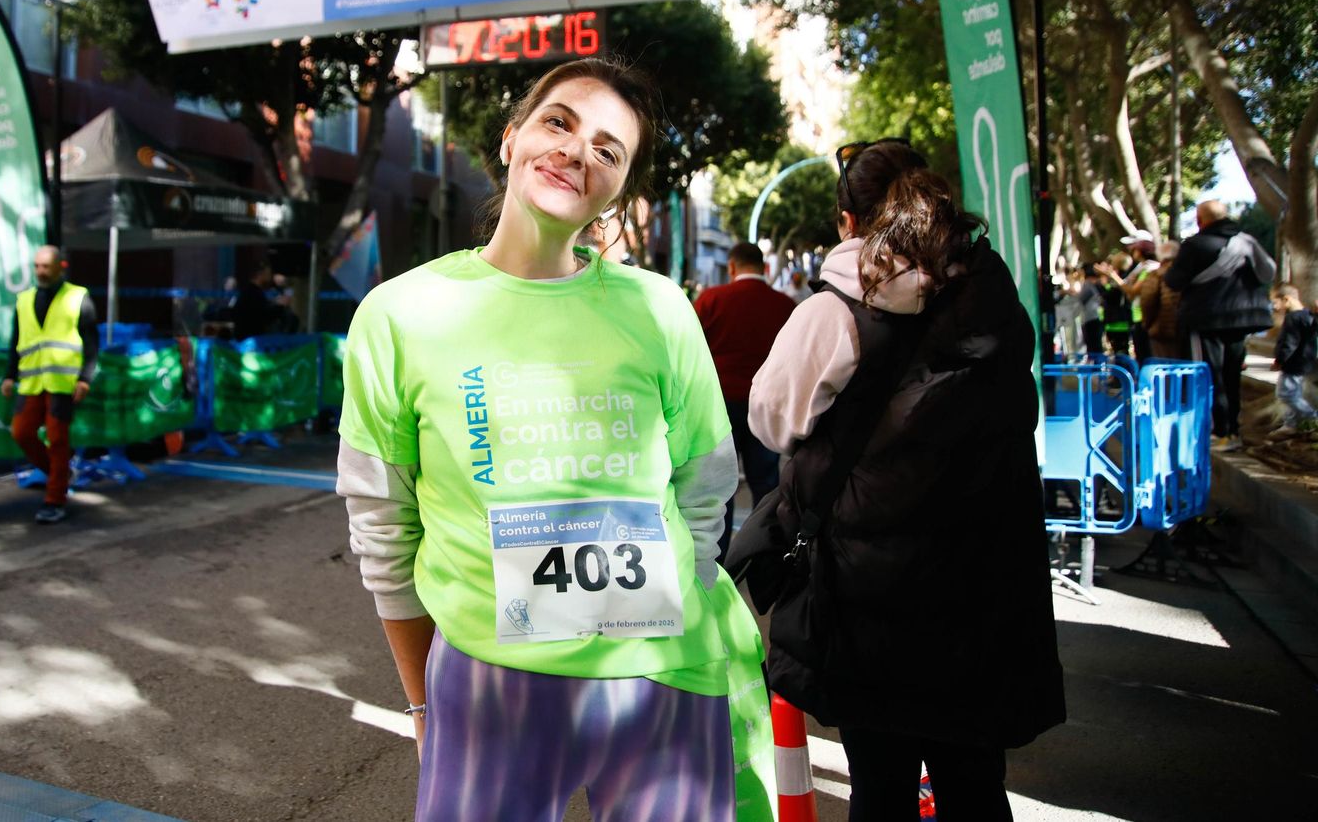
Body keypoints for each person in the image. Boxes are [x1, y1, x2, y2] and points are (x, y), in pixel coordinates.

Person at [335, 58, 746, 821]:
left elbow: (705, 487)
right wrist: (425, 705)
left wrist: (667, 611)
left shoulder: (660, 310)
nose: (575, 151)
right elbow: (383, 529)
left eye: (607, 149)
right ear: (510, 137)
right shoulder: (398, 315)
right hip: (489, 688)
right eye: (558, 122)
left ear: (618, 189)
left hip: (664, 684)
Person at [745, 140, 1064, 821]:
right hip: (986, 592)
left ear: (846, 223)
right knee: (976, 788)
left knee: (882, 789)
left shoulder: (832, 315)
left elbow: (772, 423)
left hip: (871, 602)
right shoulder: (995, 307)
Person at [693, 240, 794, 555]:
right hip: (765, 404)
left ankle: (718, 562)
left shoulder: (711, 300)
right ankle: (765, 558)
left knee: (719, 491)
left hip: (719, 405)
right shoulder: (785, 306)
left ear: (732, 267)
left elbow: (690, 350)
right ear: (764, 268)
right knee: (766, 486)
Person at [1165, 199, 1275, 452]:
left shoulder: (1195, 245)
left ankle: (1220, 431)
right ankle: (1233, 429)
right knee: (1231, 375)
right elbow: (1267, 272)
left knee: (1208, 374)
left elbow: (1174, 281)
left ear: (1201, 219)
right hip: (1242, 321)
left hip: (1205, 319)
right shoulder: (1247, 241)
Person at [0, 245, 98, 524]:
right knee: (21, 433)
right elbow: (15, 341)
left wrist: (85, 378)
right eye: (37, 266)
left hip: (62, 383)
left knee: (57, 440)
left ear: (60, 267)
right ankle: (61, 474)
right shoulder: (24, 300)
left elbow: (91, 343)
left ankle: (55, 499)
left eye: (46, 266)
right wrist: (9, 375)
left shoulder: (78, 297)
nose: (40, 272)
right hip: (31, 381)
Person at [1098, 236, 1159, 360]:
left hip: (1145, 317)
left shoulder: (1150, 268)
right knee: (1140, 354)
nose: (1131, 250)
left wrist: (1113, 276)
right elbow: (1129, 293)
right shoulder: (1139, 268)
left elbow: (1132, 291)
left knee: (1146, 355)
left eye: (1134, 247)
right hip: (1136, 317)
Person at [1269, 283, 1317, 439]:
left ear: (1286, 299)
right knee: (1292, 393)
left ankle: (1313, 417)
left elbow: (1289, 342)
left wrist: (1280, 360)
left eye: (1275, 302)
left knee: (1286, 394)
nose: (1274, 307)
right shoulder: (1308, 316)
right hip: (1305, 362)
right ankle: (1291, 424)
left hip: (1293, 363)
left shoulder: (1293, 318)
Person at [1136, 240, 1185, 361]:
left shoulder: (1156, 274)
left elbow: (1147, 301)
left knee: (1165, 365)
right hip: (1185, 327)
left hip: (1161, 329)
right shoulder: (1187, 272)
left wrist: (1148, 324)